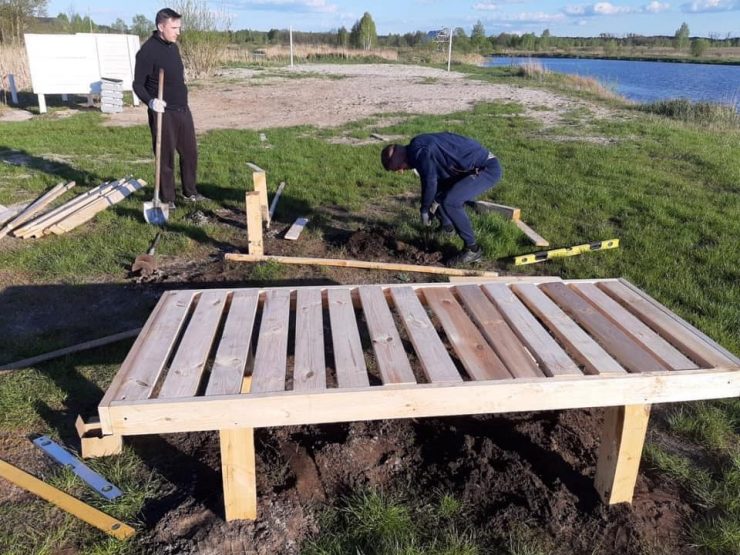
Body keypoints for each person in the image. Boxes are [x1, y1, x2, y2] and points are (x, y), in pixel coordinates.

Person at [381, 132, 502, 266]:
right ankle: (447, 229)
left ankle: (473, 250)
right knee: (437, 195)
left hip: (485, 168)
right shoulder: (416, 147)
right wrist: (428, 204)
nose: (401, 171)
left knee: (451, 202)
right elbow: (428, 179)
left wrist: (425, 209)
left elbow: (430, 180)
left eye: (398, 168)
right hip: (465, 168)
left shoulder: (418, 152)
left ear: (399, 158)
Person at [133, 7, 206, 209]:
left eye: (179, 27)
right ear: (160, 26)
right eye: (174, 27)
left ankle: (190, 192)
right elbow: (137, 84)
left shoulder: (172, 47)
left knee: (190, 152)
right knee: (165, 157)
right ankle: (168, 199)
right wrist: (151, 101)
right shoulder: (147, 52)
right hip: (163, 112)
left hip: (182, 109)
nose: (178, 32)